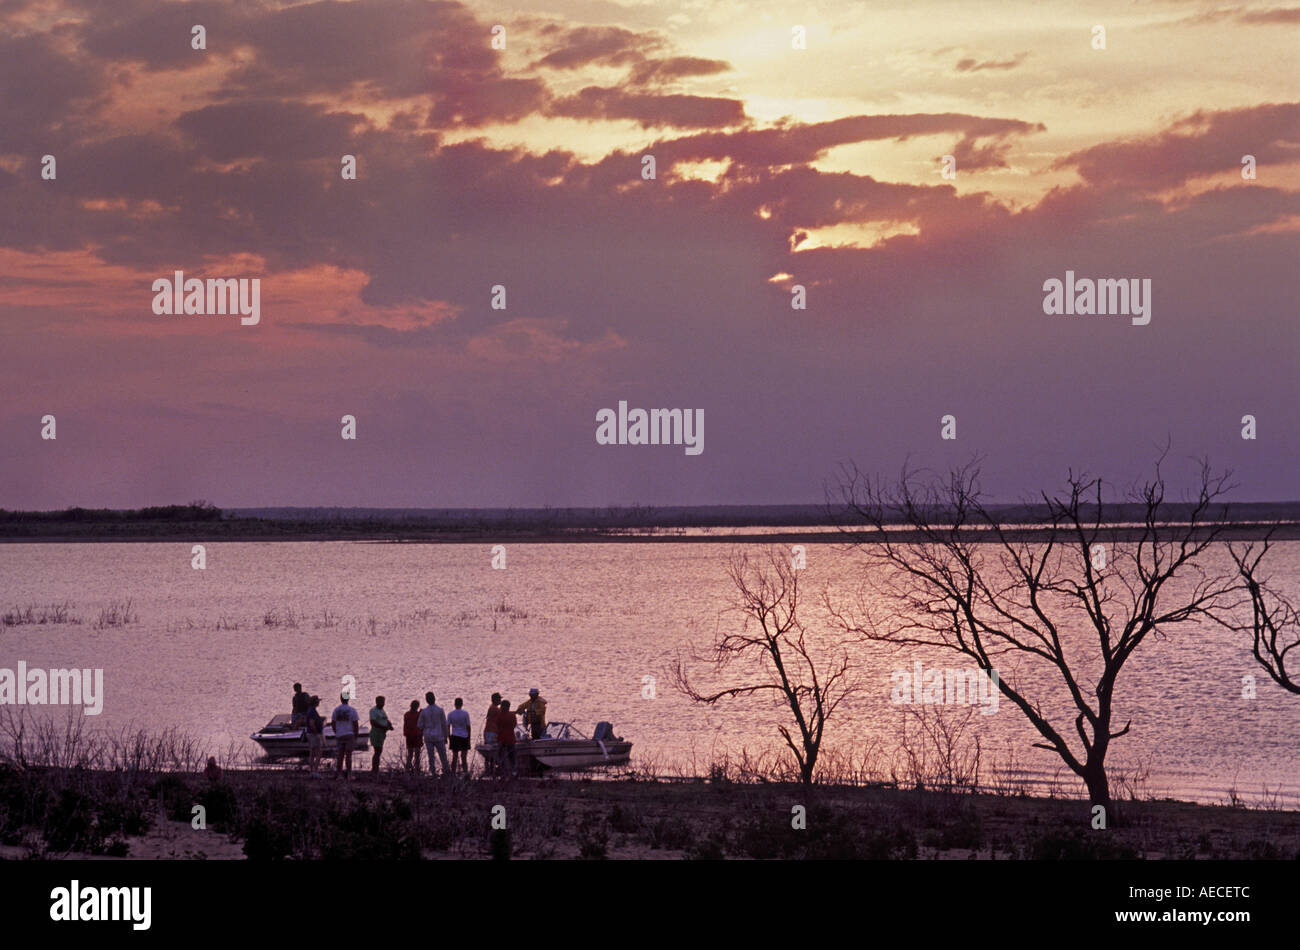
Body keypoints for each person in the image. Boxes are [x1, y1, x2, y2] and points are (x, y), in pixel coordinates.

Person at [417, 691, 449, 777]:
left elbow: (419, 725)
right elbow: (444, 724)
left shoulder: (424, 712)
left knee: (431, 756)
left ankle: (433, 772)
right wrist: (446, 736)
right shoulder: (440, 710)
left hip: (428, 736)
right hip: (439, 735)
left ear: (427, 700)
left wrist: (426, 726)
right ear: (434, 699)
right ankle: (446, 771)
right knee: (443, 755)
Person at [331, 693, 360, 778]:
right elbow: (355, 724)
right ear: (348, 699)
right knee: (348, 755)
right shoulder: (352, 710)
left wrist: (336, 732)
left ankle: (339, 774)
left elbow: (333, 723)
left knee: (340, 755)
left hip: (340, 734)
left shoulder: (336, 710)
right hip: (349, 734)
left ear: (340, 699)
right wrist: (356, 736)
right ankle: (349, 774)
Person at [368, 695, 393, 774]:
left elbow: (385, 719)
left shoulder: (382, 710)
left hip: (382, 733)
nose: (383, 704)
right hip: (376, 733)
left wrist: (389, 725)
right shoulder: (373, 710)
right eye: (381, 702)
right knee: (377, 751)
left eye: (383, 702)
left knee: (379, 751)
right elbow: (373, 722)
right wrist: (383, 727)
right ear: (377, 702)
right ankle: (374, 769)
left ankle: (376, 768)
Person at [447, 697, 471, 776]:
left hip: (454, 736)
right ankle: (465, 773)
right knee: (464, 757)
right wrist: (469, 737)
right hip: (464, 736)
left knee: (455, 757)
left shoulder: (450, 714)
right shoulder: (465, 713)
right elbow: (468, 726)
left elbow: (448, 726)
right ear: (462, 704)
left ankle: (453, 773)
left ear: (454, 704)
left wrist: (448, 736)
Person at [496, 699, 518, 780]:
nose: (500, 707)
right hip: (511, 738)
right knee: (512, 757)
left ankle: (503, 774)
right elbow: (514, 725)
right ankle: (513, 772)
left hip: (501, 739)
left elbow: (497, 725)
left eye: (501, 706)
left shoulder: (499, 715)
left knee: (502, 757)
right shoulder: (512, 715)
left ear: (504, 707)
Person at [482, 692, 502, 776]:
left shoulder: (492, 707)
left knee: (488, 752)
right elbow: (503, 715)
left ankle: (488, 770)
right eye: (499, 699)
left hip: (488, 731)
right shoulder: (495, 709)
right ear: (495, 700)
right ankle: (491, 770)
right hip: (492, 732)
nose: (500, 700)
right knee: (492, 751)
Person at [305, 695, 325, 774]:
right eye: (318, 701)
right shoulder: (312, 711)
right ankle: (315, 771)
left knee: (312, 753)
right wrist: (317, 734)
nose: (319, 703)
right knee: (318, 753)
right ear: (315, 702)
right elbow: (312, 724)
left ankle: (312, 770)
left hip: (311, 733)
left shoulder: (311, 710)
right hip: (313, 734)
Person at [403, 699, 423, 773]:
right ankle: (417, 769)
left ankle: (408, 769)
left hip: (409, 735)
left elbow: (406, 725)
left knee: (410, 754)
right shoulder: (418, 715)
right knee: (417, 754)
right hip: (417, 735)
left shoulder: (406, 714)